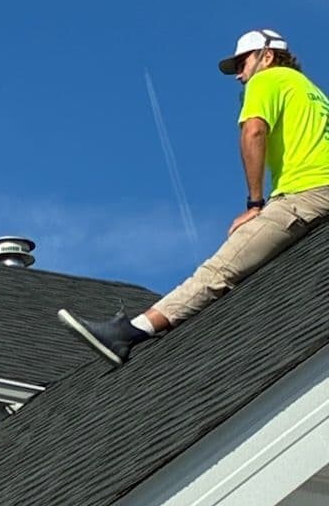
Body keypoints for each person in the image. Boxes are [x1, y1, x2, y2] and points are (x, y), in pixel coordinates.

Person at [58, 29, 329, 365]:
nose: (240, 76)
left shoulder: (268, 80)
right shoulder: (311, 92)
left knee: (219, 270)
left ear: (267, 56)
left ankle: (126, 334)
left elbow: (254, 130)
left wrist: (255, 203)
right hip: (320, 192)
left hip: (304, 194)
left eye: (243, 63)